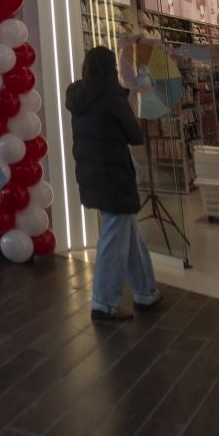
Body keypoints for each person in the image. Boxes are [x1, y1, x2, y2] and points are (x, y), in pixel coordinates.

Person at [66, 45, 157, 321]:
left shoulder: (77, 97)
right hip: (114, 174)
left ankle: (146, 291)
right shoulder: (112, 97)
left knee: (128, 233)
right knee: (114, 236)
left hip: (92, 173)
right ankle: (103, 303)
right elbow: (135, 135)